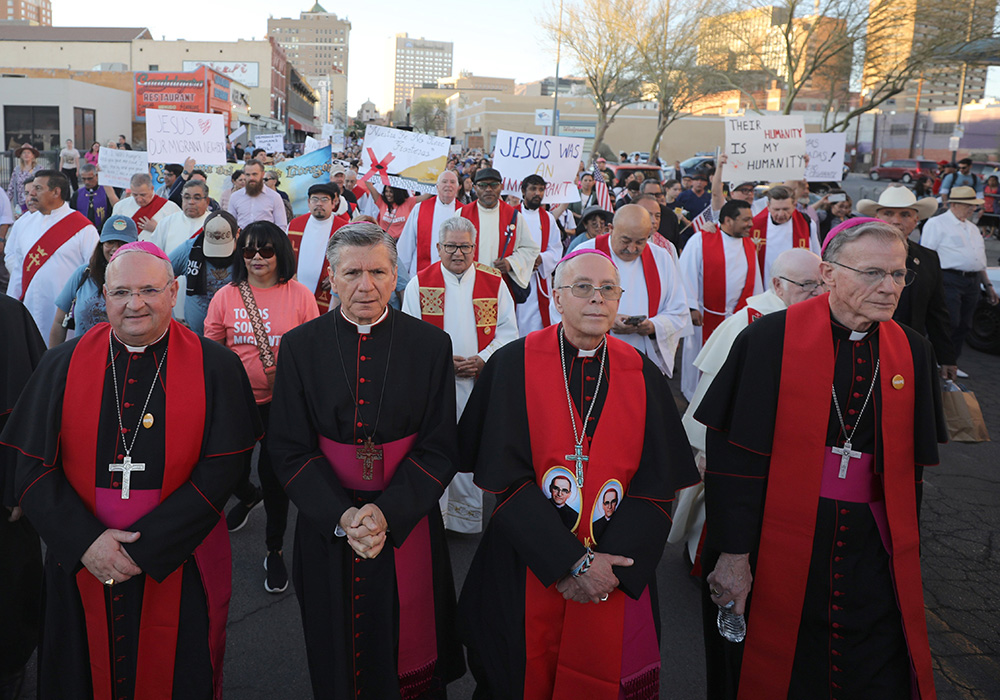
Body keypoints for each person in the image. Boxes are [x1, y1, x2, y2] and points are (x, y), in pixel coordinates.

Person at [696, 218, 946, 699]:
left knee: (872, 663)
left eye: (898, 275)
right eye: (873, 273)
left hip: (870, 548)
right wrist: (733, 555)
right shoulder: (769, 339)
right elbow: (735, 459)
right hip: (774, 537)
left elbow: (910, 470)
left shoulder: (912, 350)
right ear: (829, 274)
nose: (889, 287)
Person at [0, 240, 261, 699]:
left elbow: (223, 469)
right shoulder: (61, 364)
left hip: (177, 556)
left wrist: (146, 549)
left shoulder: (215, 366)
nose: (134, 304)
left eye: (148, 290)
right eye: (120, 292)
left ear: (174, 291)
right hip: (79, 558)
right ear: (102, 295)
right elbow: (32, 468)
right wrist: (86, 543)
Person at [457, 248, 699, 699]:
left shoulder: (642, 373)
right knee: (513, 673)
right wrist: (570, 561)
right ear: (555, 295)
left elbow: (655, 485)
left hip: (615, 562)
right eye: (582, 287)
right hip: (525, 559)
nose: (597, 299)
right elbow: (503, 476)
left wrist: (606, 568)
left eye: (608, 289)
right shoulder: (512, 365)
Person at [269, 222, 465, 697]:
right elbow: (289, 447)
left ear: (395, 274)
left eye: (378, 272)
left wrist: (387, 511)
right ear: (331, 278)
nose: (366, 286)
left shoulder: (430, 345)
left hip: (407, 516)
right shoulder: (300, 346)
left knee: (409, 642)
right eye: (352, 272)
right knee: (334, 645)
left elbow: (440, 446)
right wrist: (344, 514)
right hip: (329, 519)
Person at [671, 248, 823, 577]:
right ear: (777, 285)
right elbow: (710, 387)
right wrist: (703, 447)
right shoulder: (748, 322)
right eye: (807, 284)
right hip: (737, 439)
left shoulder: (811, 317)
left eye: (821, 284)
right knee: (720, 505)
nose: (817, 292)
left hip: (784, 441)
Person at [205, 221, 319, 593]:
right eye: (249, 251)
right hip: (237, 404)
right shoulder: (226, 295)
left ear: (280, 252)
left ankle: (274, 550)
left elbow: (311, 353)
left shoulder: (300, 295)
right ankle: (246, 494)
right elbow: (212, 350)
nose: (256, 258)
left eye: (266, 251)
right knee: (228, 469)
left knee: (275, 479)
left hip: (281, 404)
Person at [402, 216, 518, 533]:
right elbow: (408, 337)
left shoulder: (494, 283)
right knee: (434, 448)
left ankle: (463, 519)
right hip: (435, 388)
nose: (458, 253)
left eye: (465, 246)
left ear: (474, 247)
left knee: (470, 445)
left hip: (477, 385)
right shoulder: (419, 284)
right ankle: (434, 516)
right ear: (438, 247)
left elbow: (509, 333)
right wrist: (441, 363)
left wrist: (483, 359)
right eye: (451, 246)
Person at [565, 204, 691, 377]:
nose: (632, 249)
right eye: (625, 241)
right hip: (594, 355)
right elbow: (564, 305)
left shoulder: (661, 258)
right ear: (611, 229)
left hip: (643, 356)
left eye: (640, 242)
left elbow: (679, 310)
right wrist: (606, 320)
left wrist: (653, 326)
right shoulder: (583, 254)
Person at [856, 186, 958, 380]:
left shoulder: (929, 259)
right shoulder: (856, 254)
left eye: (905, 214)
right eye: (888, 213)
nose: (896, 220)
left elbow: (937, 312)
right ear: (876, 216)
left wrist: (946, 357)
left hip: (909, 352)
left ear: (915, 220)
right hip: (863, 349)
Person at [0, 294, 46, 700]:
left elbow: (33, 404)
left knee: (11, 583)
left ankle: (10, 665)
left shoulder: (8, 314)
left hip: (3, 492)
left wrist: (20, 485)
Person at [678, 199, 763, 400]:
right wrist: (690, 307)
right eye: (746, 220)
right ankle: (693, 398)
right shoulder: (700, 241)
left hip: (737, 317)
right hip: (705, 315)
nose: (751, 224)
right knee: (700, 362)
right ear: (727, 220)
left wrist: (756, 309)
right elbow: (685, 273)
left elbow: (755, 280)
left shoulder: (749, 244)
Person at [5, 170, 98, 342]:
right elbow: (18, 272)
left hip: (64, 314)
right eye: (32, 188)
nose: (31, 193)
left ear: (56, 192)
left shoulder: (84, 229)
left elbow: (93, 273)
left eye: (38, 188)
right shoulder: (24, 225)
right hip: (29, 308)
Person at [919, 186, 998, 372]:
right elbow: (927, 255)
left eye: (974, 205)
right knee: (948, 322)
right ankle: (932, 359)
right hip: (948, 279)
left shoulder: (971, 228)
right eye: (968, 205)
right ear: (953, 204)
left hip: (971, 281)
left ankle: (950, 362)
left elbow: (979, 260)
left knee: (964, 324)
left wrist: (988, 285)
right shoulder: (937, 223)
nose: (972, 209)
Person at [51, 214, 139, 345]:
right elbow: (59, 321)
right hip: (83, 356)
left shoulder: (143, 278)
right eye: (110, 242)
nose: (115, 248)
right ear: (101, 244)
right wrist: (53, 361)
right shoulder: (83, 274)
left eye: (122, 243)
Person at [459, 167, 540, 296]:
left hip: (502, 287)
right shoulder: (462, 214)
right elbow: (449, 248)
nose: (488, 189)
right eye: (483, 185)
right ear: (475, 188)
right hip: (467, 284)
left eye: (494, 185)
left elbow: (530, 248)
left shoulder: (514, 216)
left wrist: (511, 263)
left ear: (501, 187)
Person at [168, 210, 241, 335]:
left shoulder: (248, 253)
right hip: (197, 333)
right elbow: (160, 275)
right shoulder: (189, 250)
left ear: (238, 233)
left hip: (237, 333)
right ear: (204, 231)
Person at [286, 182, 349, 313]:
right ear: (309, 202)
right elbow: (284, 255)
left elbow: (350, 260)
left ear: (333, 203)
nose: (319, 203)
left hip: (329, 295)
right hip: (295, 289)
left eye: (324, 199)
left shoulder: (344, 229)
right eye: (315, 199)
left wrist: (336, 275)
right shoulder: (295, 225)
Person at [513, 174, 563, 335]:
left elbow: (556, 249)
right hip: (514, 278)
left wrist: (542, 259)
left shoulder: (547, 219)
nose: (538, 193)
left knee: (536, 325)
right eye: (533, 189)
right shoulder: (510, 215)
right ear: (523, 191)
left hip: (537, 281)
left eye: (541, 189)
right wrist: (522, 261)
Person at [749, 184, 821, 284]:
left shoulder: (806, 223)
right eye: (776, 209)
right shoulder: (754, 225)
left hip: (796, 285)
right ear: (768, 206)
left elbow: (816, 256)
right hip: (764, 283)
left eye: (786, 209)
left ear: (794, 205)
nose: (781, 214)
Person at [396, 170, 462, 277]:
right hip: (421, 273)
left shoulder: (464, 211)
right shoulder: (420, 209)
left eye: (452, 182)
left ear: (458, 187)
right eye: (444, 182)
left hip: (453, 275)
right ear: (437, 186)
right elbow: (407, 244)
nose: (448, 185)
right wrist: (402, 277)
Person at [112, 172, 181, 235]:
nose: (139, 199)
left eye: (143, 195)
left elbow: (179, 234)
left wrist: (157, 229)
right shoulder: (120, 206)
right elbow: (113, 232)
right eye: (135, 195)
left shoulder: (170, 207)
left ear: (152, 188)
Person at [227, 159, 288, 230]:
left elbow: (281, 226)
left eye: (254, 174)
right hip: (242, 239)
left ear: (262, 174)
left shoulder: (274, 197)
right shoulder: (235, 197)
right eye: (248, 175)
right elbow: (231, 225)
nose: (251, 178)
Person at [71, 162, 119, 231]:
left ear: (96, 176)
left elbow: (112, 212)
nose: (87, 182)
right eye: (84, 179)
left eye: (90, 178)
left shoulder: (106, 192)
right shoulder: (77, 194)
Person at [6, 143, 40, 215]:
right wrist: (5, 201)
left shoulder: (38, 169)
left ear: (33, 155)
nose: (26, 154)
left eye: (28, 153)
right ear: (21, 155)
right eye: (24, 153)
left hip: (34, 201)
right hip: (21, 203)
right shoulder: (17, 170)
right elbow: (11, 187)